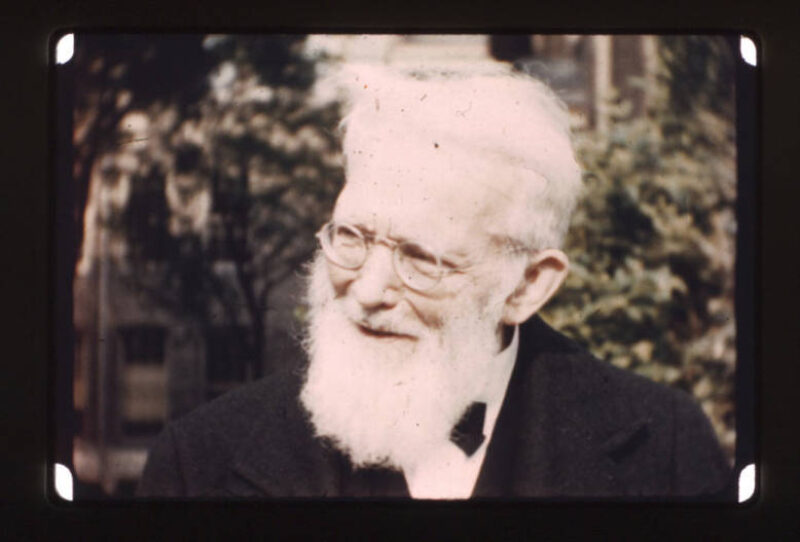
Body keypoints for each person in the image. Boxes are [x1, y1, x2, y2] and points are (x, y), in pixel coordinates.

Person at [137, 66, 731, 499]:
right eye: (353, 237)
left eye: (421, 258)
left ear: (526, 286)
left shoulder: (666, 451)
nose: (367, 291)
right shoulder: (199, 463)